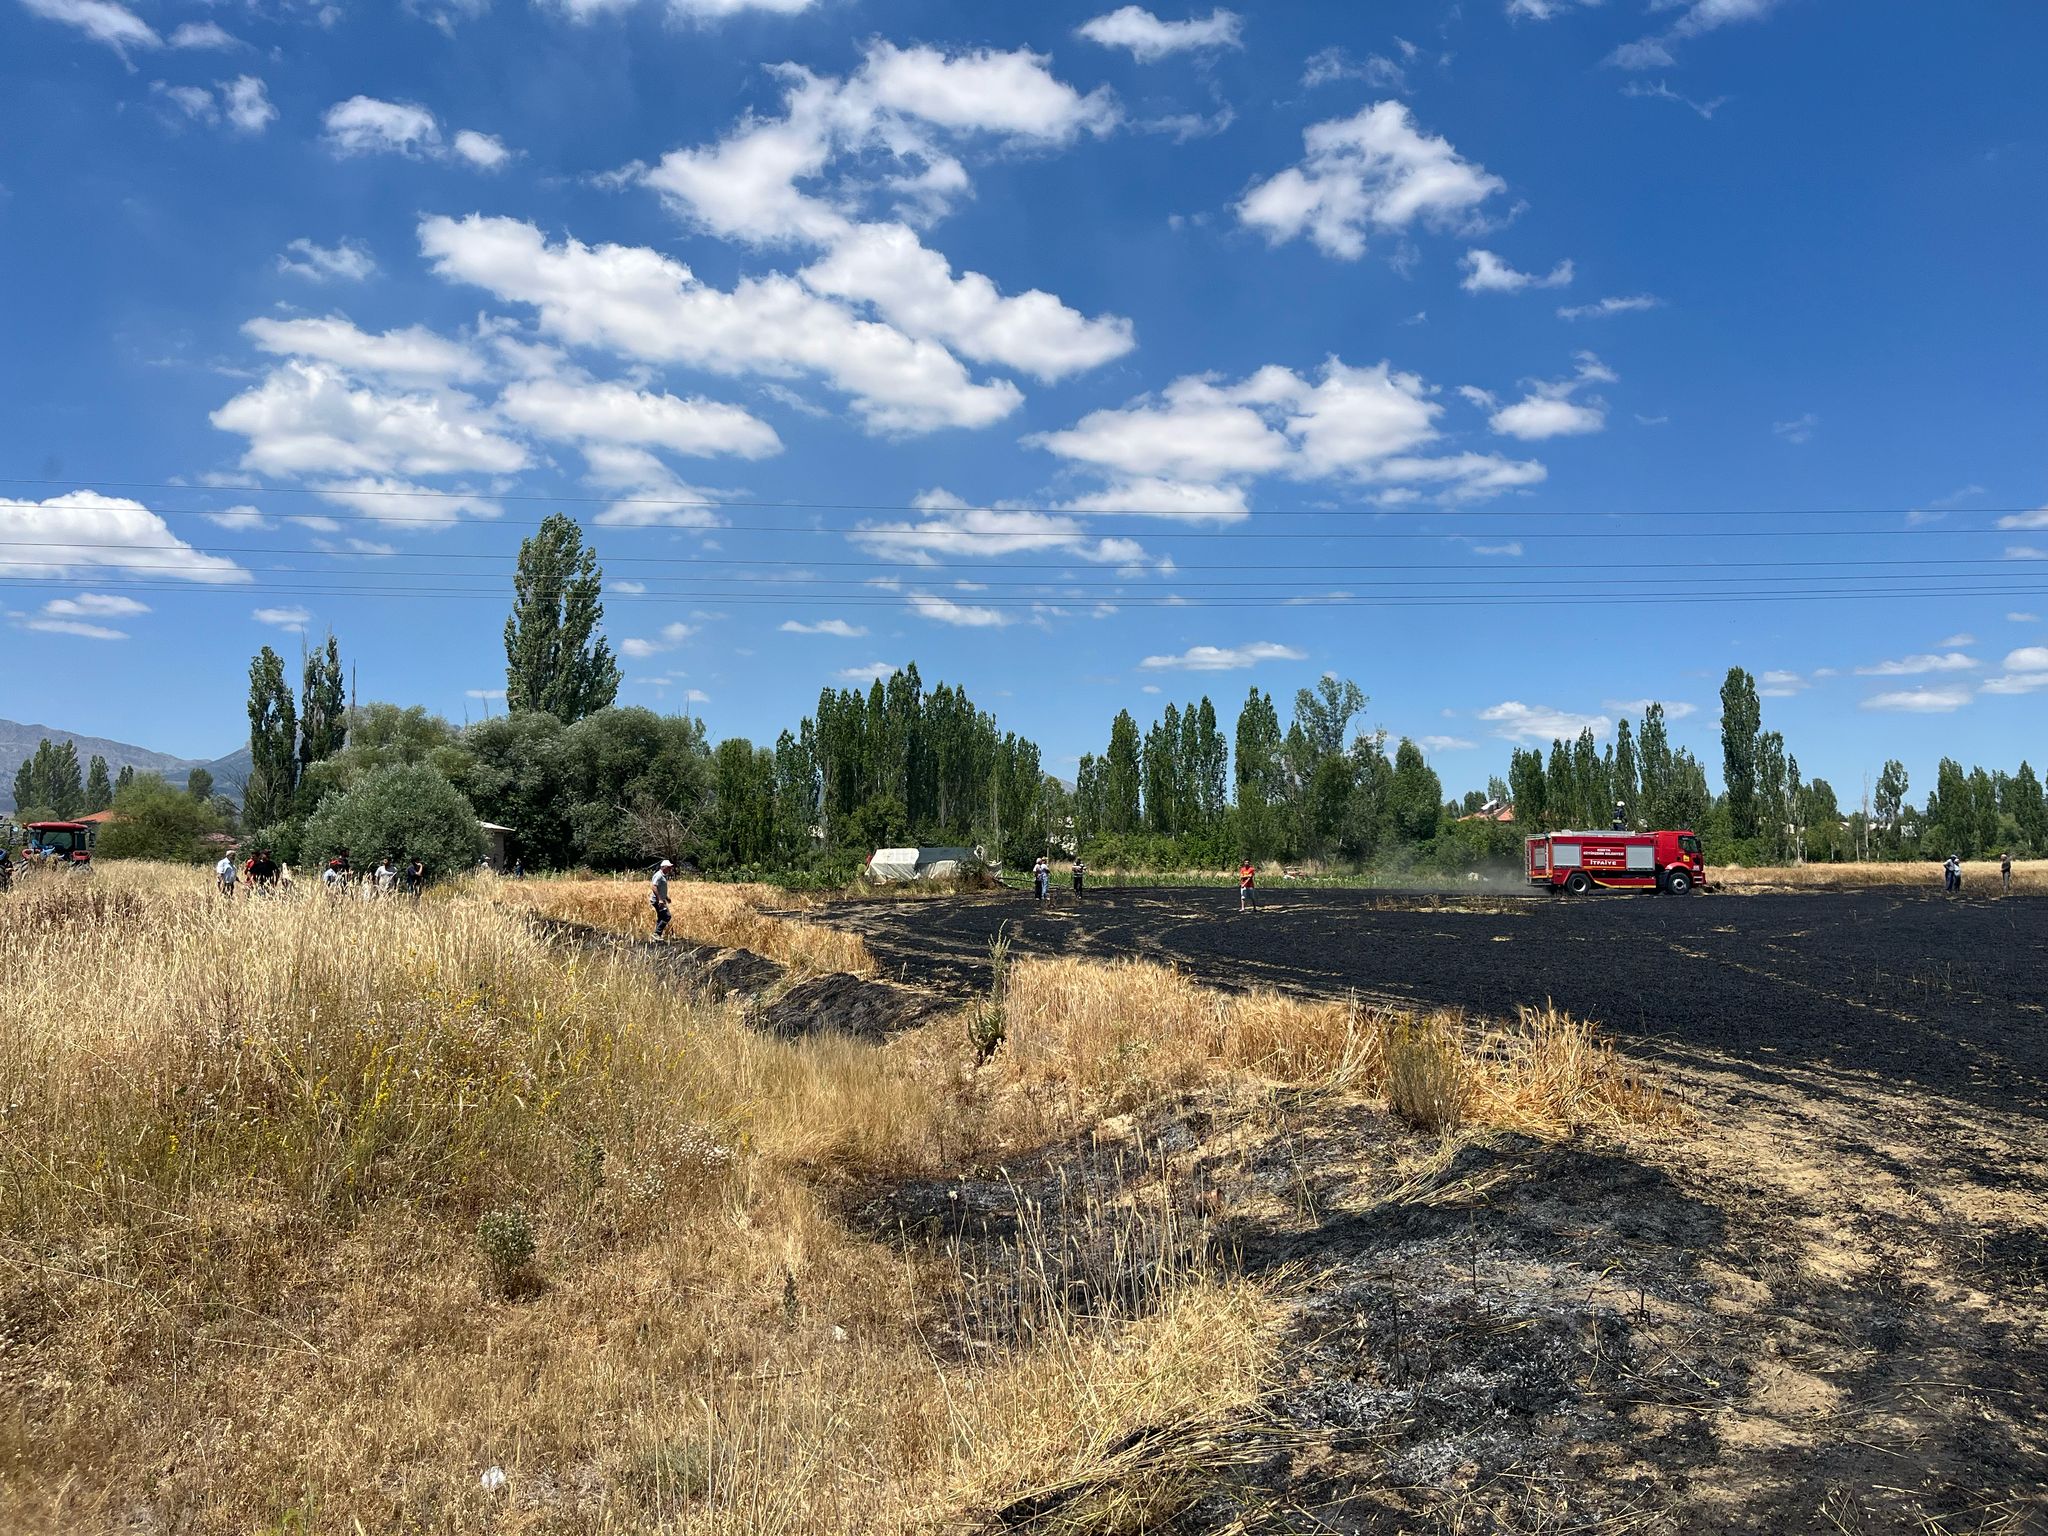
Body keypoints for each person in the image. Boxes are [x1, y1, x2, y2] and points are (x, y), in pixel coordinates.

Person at [651, 858, 673, 938]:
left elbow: (660, 889)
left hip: (661, 900)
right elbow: (654, 886)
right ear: (663, 867)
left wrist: (666, 898)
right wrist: (660, 899)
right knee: (667, 916)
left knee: (661, 917)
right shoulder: (659, 875)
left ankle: (657, 936)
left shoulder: (663, 876)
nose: (670, 869)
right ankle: (657, 933)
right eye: (668, 867)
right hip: (658, 901)